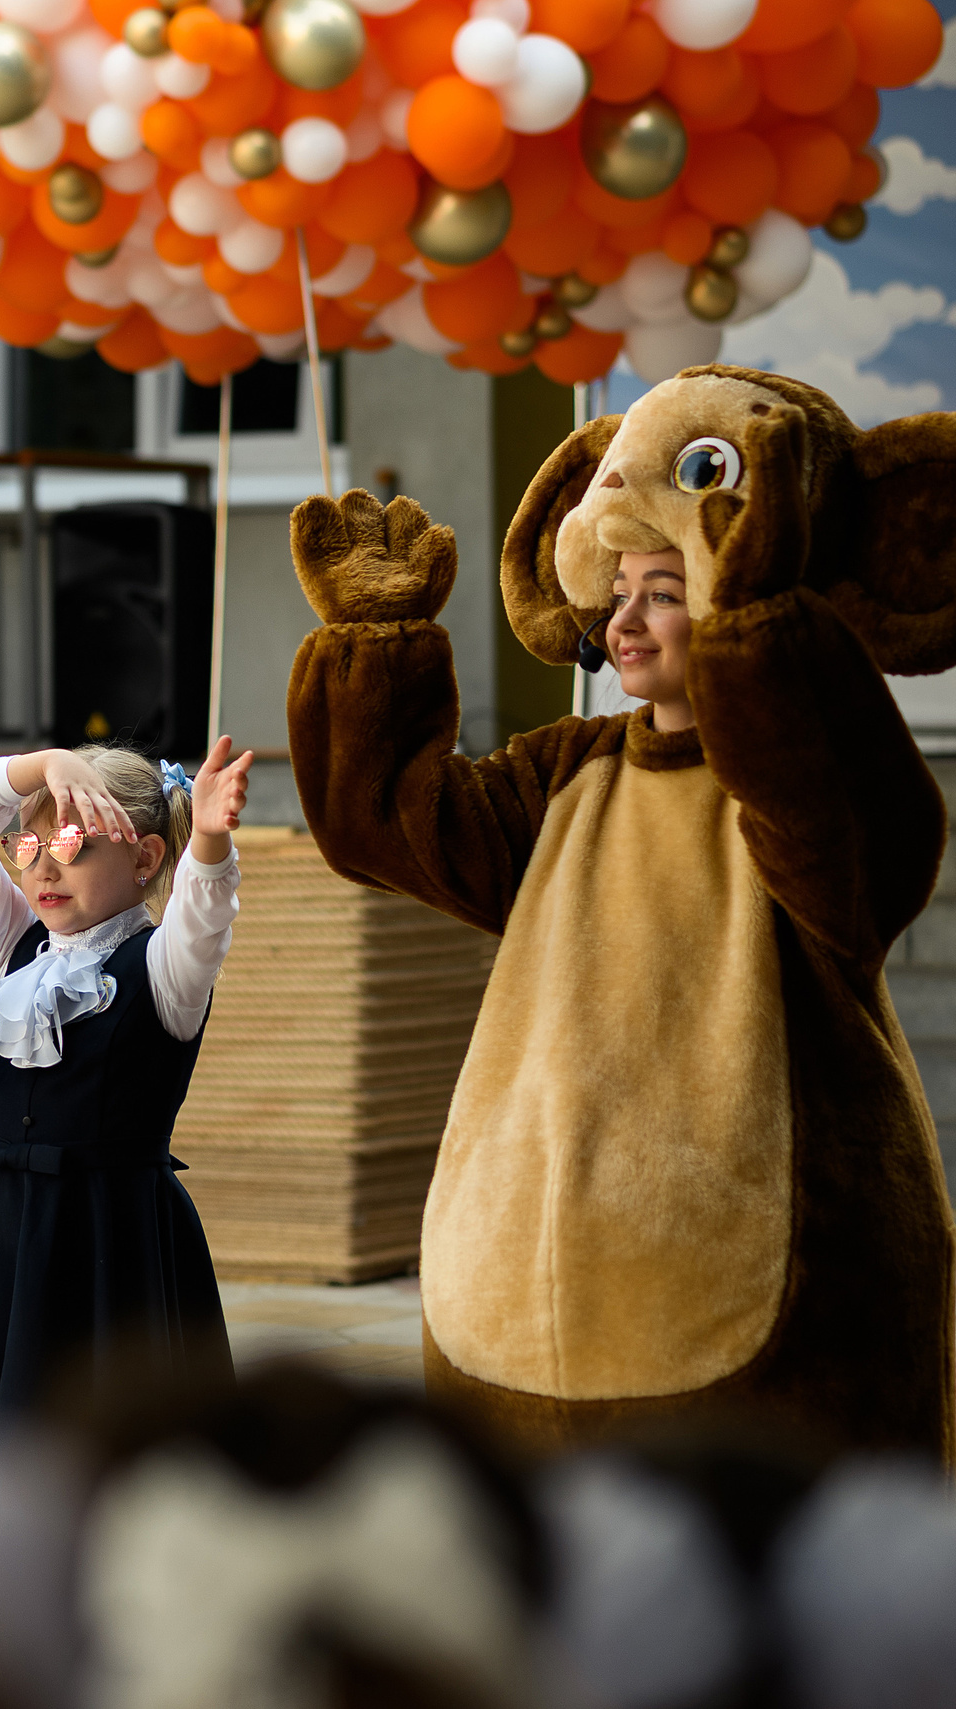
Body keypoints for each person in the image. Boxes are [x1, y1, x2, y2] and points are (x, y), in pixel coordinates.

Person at [285, 370, 956, 1460]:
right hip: (518, 1285)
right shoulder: (567, 772)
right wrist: (378, 654)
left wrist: (766, 637)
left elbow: (839, 836)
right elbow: (385, 826)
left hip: (767, 1304)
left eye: (671, 585)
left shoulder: (817, 769)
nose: (627, 617)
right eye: (622, 587)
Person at [0, 738, 252, 1476]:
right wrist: (47, 766)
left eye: (73, 841)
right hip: (7, 1221)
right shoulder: (17, 947)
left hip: (114, 1229)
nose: (43, 865)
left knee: (110, 1440)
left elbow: (204, 909)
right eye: (31, 843)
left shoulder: (165, 966)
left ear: (145, 858)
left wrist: (212, 840)